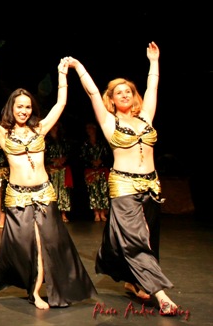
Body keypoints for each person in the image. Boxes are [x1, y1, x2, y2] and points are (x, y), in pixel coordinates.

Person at [0, 56, 97, 309]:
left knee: (45, 243)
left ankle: (37, 291)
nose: (24, 111)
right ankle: (31, 284)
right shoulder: (3, 133)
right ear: (11, 108)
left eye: (28, 107)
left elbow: (61, 104)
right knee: (23, 244)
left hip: (43, 193)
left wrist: (62, 75)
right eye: (19, 106)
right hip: (18, 196)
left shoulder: (40, 129)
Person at [67, 42, 179, 315]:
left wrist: (154, 62)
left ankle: (133, 280)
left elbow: (152, 88)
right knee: (136, 239)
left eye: (128, 90)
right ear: (112, 99)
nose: (125, 94)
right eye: (119, 92)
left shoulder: (146, 117)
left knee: (148, 239)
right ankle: (161, 295)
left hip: (151, 185)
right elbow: (92, 92)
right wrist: (78, 67)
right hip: (124, 185)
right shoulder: (109, 122)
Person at [79, 121, 111, 222]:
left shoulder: (101, 142)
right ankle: (96, 212)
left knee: (103, 190)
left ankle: (103, 212)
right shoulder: (85, 143)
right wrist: (91, 161)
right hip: (90, 169)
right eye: (87, 128)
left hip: (102, 169)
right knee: (93, 191)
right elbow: (82, 156)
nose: (89, 130)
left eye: (90, 128)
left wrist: (101, 161)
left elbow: (107, 154)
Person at [45, 122, 73, 223]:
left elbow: (69, 153)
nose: (54, 128)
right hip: (51, 169)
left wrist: (63, 159)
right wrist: (53, 160)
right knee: (52, 191)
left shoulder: (63, 140)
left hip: (62, 169)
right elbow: (44, 155)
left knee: (63, 191)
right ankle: (52, 214)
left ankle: (63, 213)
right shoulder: (46, 141)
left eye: (56, 126)